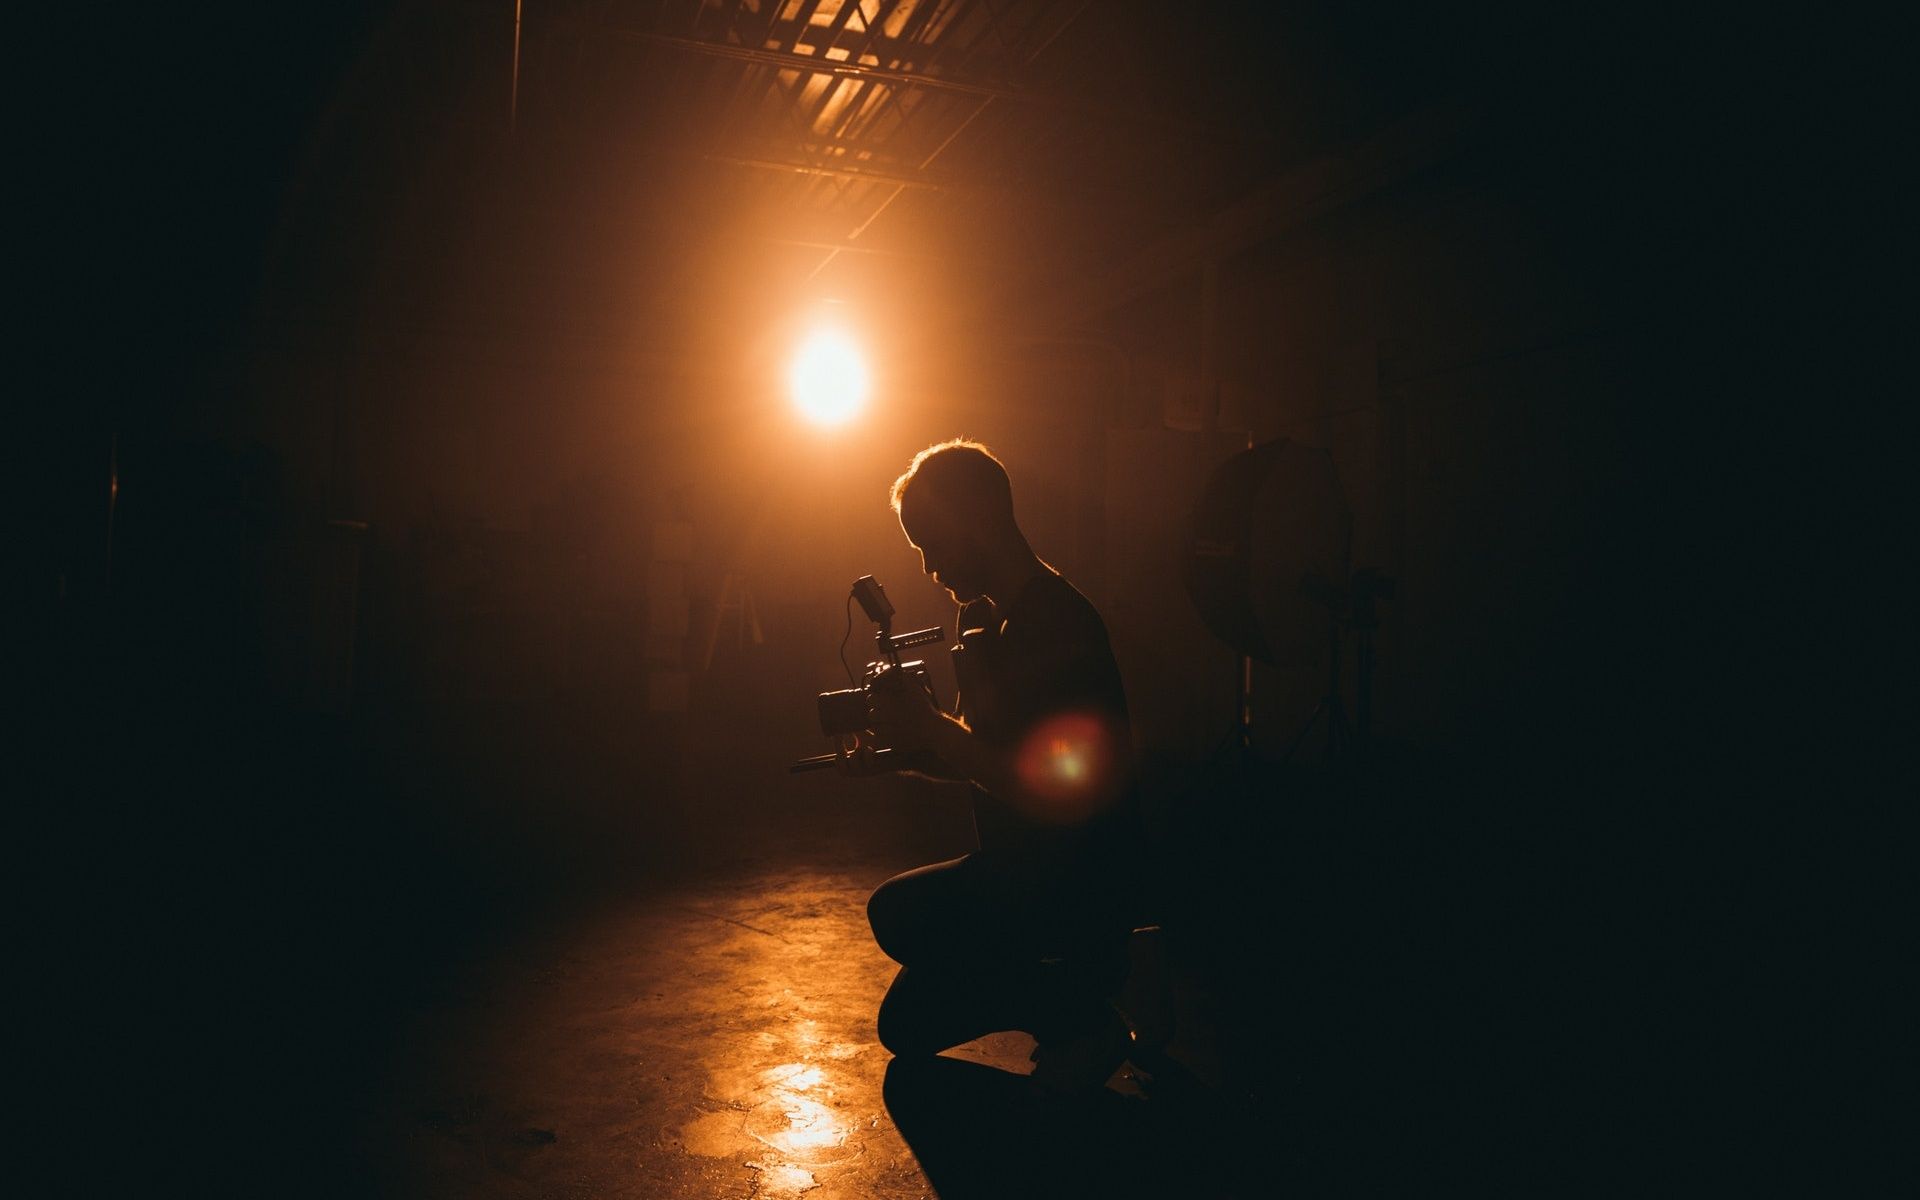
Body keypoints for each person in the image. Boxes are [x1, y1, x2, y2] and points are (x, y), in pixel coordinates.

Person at [852, 439, 1155, 1093]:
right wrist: (902, 751)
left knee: (896, 915)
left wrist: (932, 729)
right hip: (1022, 867)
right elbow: (984, 759)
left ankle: (1090, 1008)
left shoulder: (1058, 622)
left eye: (933, 542)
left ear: (981, 517)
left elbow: (1050, 790)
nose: (930, 566)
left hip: (1079, 874)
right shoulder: (983, 621)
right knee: (905, 1026)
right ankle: (1082, 985)